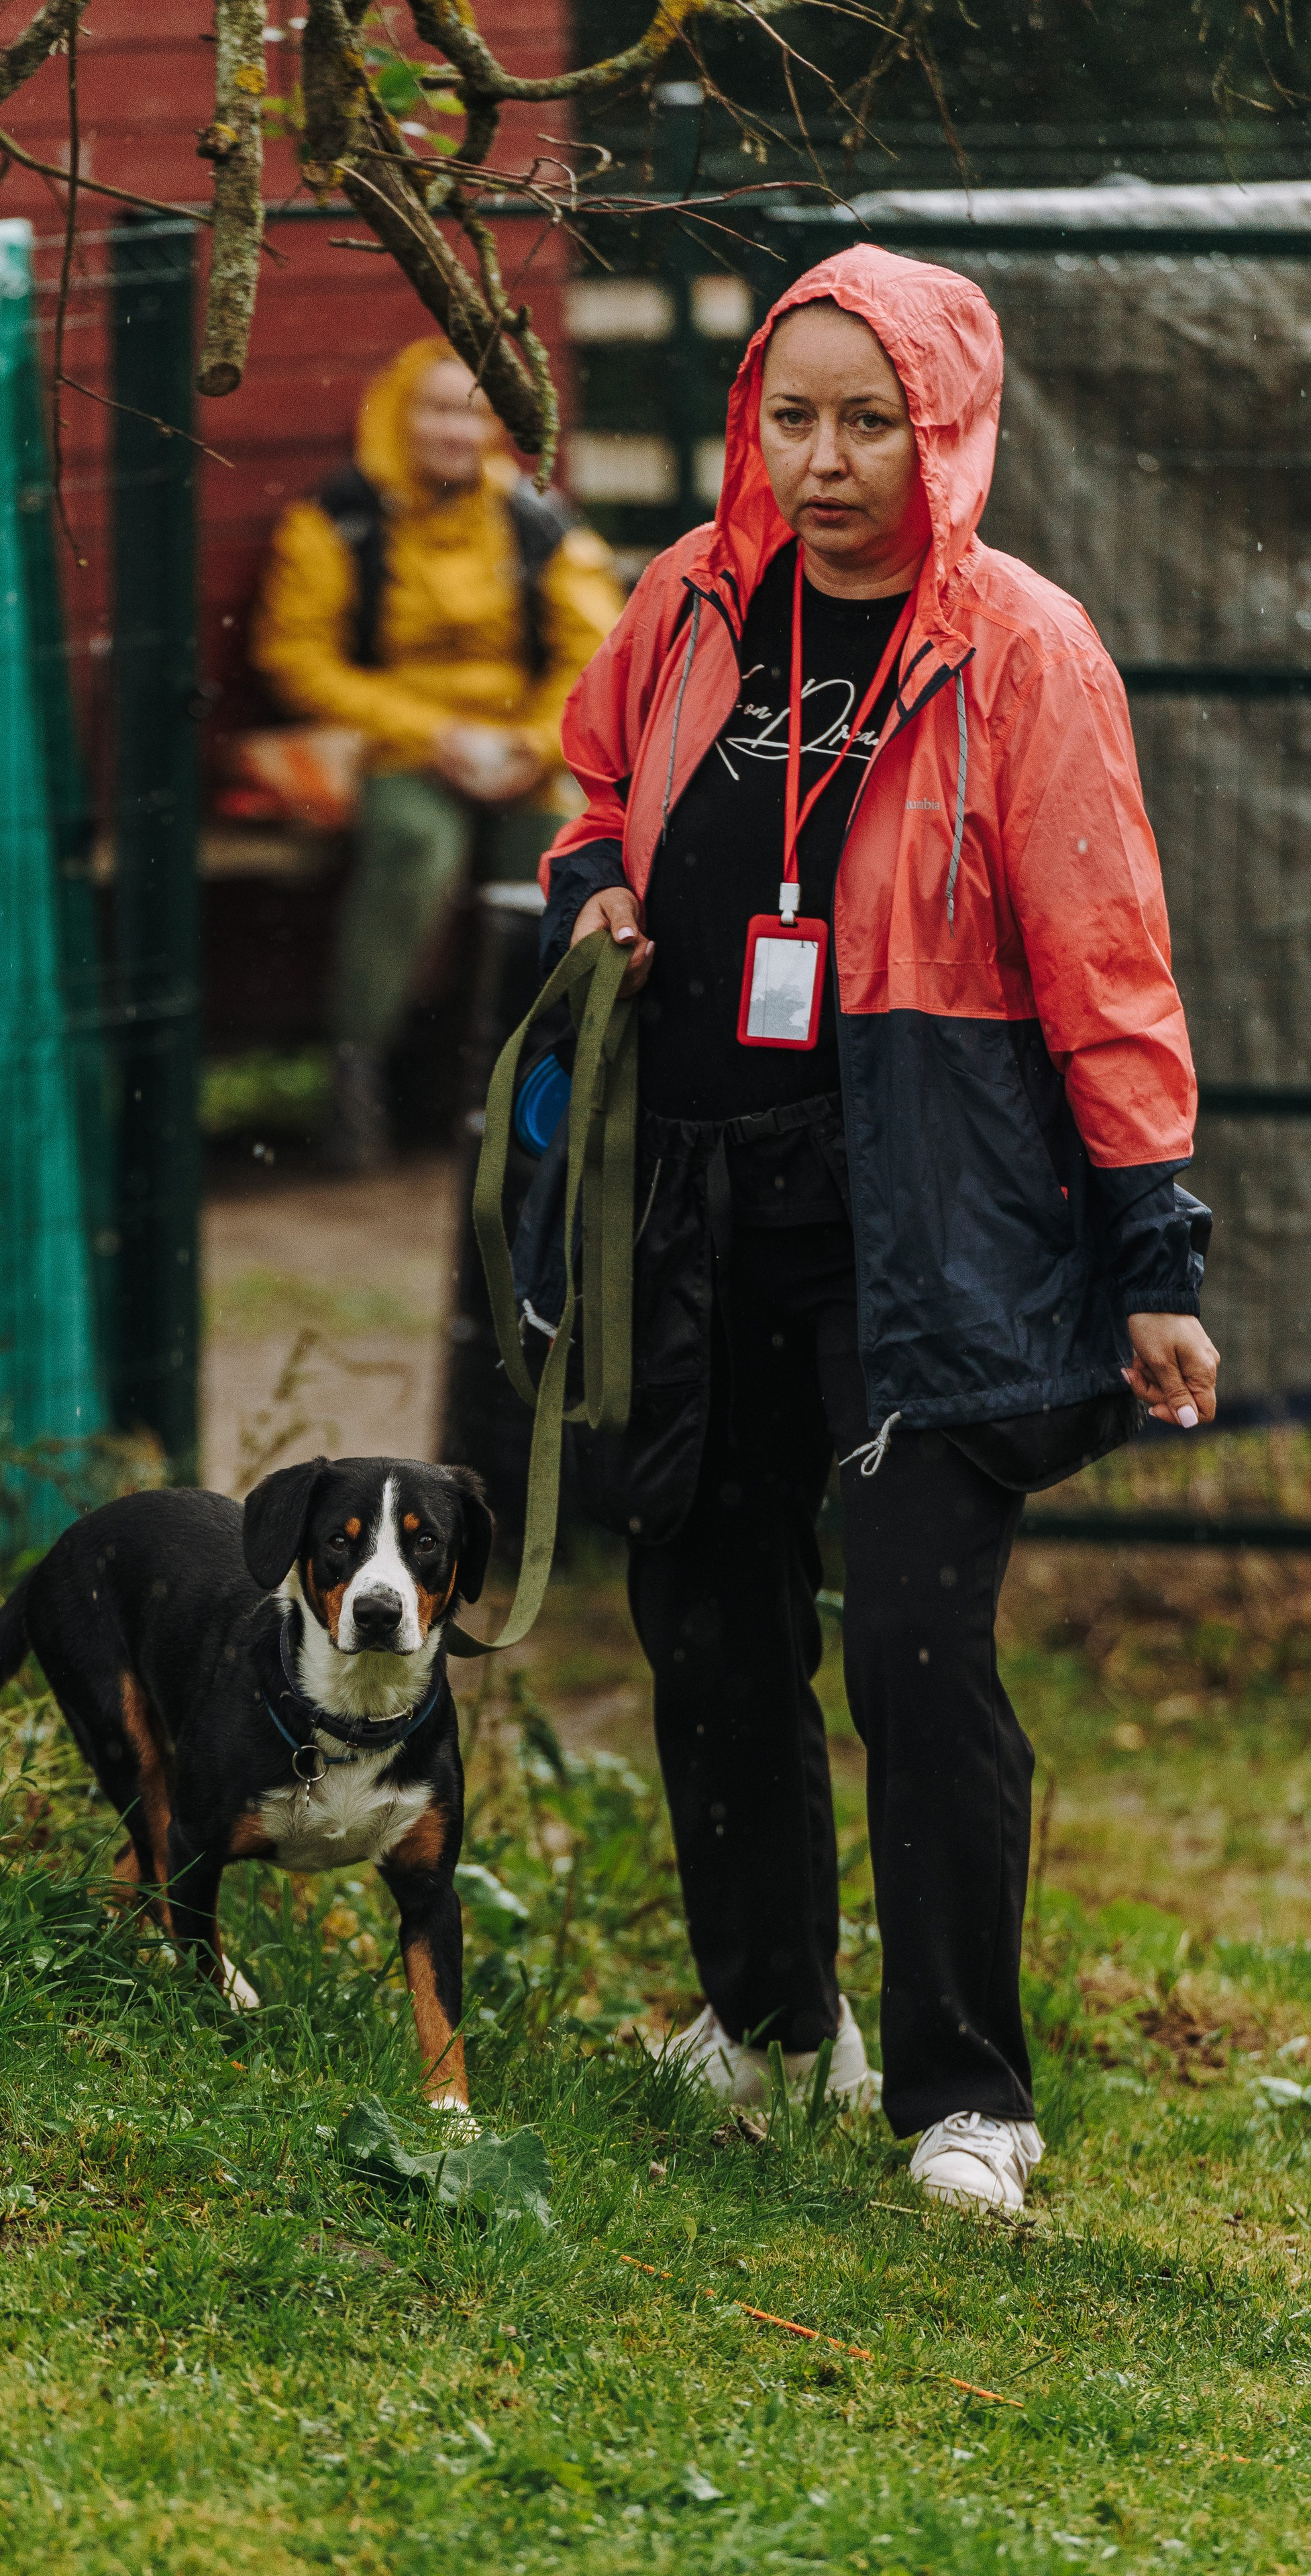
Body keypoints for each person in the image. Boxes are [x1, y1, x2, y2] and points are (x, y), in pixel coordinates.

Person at [539, 245, 1218, 2214]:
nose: (827, 461)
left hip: (925, 1225)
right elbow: (594, 774)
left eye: (871, 422)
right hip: (694, 1209)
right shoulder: (685, 603)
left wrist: (1150, 1254)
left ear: (949, 430)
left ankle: (963, 2099)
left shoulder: (1021, 646)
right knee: (703, 1608)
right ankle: (766, 2016)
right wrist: (594, 880)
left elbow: (1108, 960)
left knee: (916, 1643)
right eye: (793, 417)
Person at [252, 338, 621, 1167]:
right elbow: (294, 655)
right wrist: (434, 736)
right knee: (416, 848)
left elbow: (593, 649)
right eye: (436, 408)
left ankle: (541, 1080)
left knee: (559, 858)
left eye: (472, 412)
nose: (455, 431)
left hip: (520, 752)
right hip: (396, 752)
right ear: (396, 413)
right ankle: (359, 1081)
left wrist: (532, 743)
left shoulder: (535, 518)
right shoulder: (338, 517)